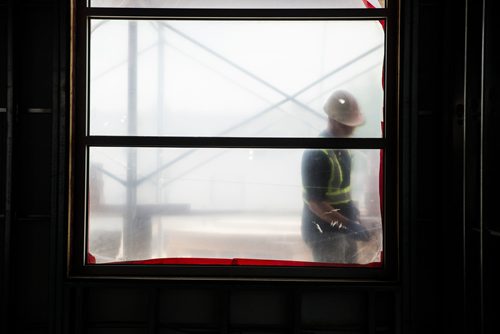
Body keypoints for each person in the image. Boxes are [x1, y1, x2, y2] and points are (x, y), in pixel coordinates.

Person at [301, 90, 370, 263]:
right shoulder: (318, 153)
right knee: (333, 282)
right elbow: (316, 203)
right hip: (324, 233)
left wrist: (351, 211)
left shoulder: (342, 148)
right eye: (346, 124)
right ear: (333, 120)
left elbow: (340, 191)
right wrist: (348, 225)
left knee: (350, 277)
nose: (351, 128)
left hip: (342, 228)